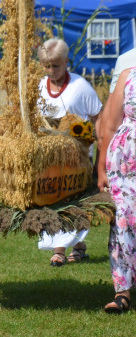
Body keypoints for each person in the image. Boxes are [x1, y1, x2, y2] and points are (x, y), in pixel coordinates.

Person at [36, 39, 103, 266]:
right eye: (46, 66)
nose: (51, 71)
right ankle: (78, 246)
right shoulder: (38, 87)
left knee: (71, 203)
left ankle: (59, 251)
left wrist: (100, 154)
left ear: (66, 62)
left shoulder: (81, 87)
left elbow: (99, 119)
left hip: (78, 159)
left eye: (56, 66)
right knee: (53, 201)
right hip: (48, 159)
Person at [98, 66, 135, 314]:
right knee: (122, 219)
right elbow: (110, 126)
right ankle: (122, 292)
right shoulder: (128, 75)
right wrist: (101, 167)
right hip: (124, 163)